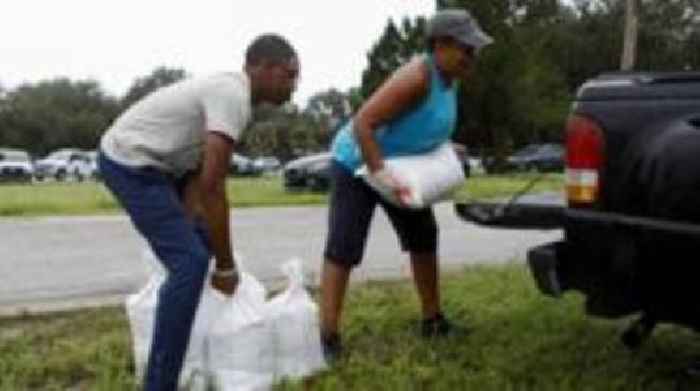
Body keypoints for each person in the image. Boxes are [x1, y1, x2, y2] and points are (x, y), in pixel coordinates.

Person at [98, 34, 299, 390]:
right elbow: (213, 187)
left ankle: (198, 355)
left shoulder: (237, 99)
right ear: (264, 67)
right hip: (130, 161)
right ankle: (159, 383)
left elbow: (196, 170)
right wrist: (225, 266)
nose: (294, 85)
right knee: (190, 263)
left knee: (200, 242)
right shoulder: (232, 94)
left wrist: (196, 224)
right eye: (289, 74)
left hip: (162, 167)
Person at [319, 9, 493, 362]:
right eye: (466, 48)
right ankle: (327, 336)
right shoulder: (417, 76)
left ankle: (432, 320)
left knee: (423, 238)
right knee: (344, 247)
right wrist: (380, 174)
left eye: (474, 50)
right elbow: (363, 122)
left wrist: (446, 147)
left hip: (402, 167)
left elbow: (423, 124)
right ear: (440, 45)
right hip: (357, 164)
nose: (471, 57)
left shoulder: (450, 78)